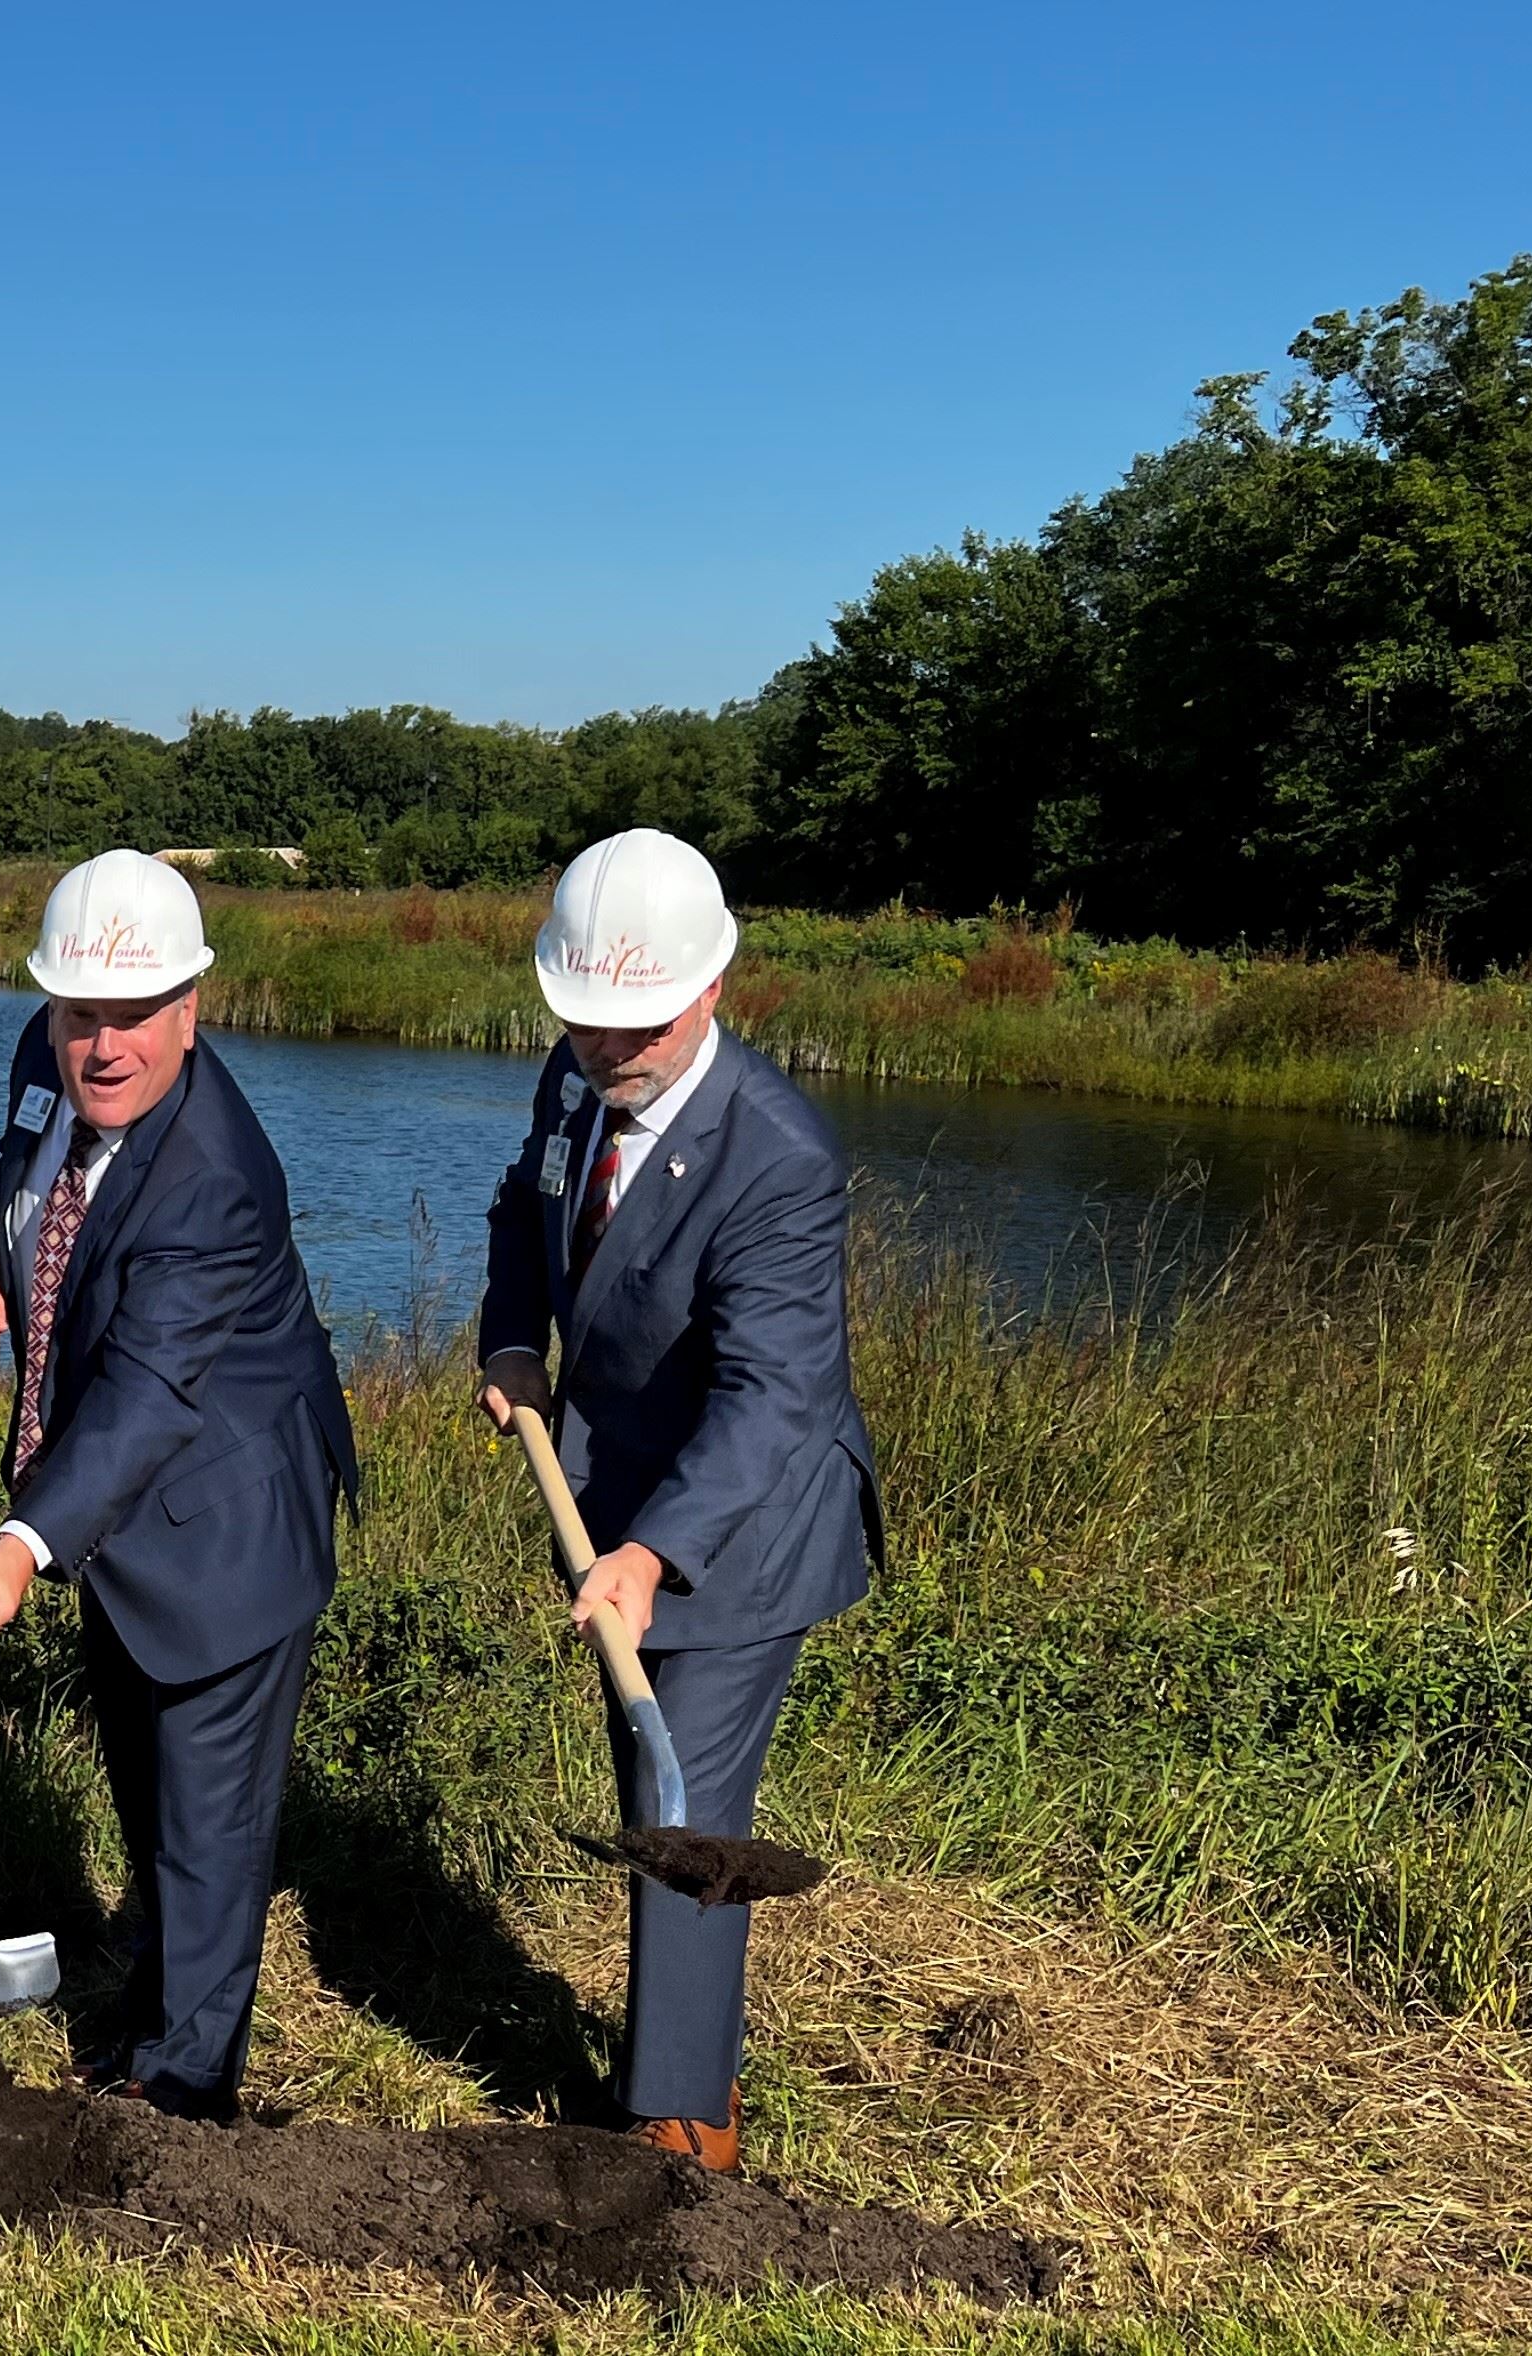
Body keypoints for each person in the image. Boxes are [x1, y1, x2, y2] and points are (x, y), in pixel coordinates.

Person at [475, 828, 880, 2174]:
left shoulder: (776, 1157)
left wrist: (652, 1552)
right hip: (618, 1491)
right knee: (650, 1772)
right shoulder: (576, 1071)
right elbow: (526, 1203)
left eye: (639, 1020)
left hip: (739, 1525)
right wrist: (511, 1336)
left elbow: (773, 1395)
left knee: (684, 1796)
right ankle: (669, 2078)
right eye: (585, 1018)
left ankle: (683, 2123)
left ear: (713, 984)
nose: (610, 1046)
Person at [0, 848, 359, 2119]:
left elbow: (146, 1395)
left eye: (135, 1016)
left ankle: (183, 2097)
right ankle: (150, 2021)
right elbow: (19, 1170)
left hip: (225, 1524)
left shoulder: (215, 1178)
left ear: (192, 1006)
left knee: (208, 1823)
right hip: (121, 1525)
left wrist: (22, 1543)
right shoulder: (44, 1053)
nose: (103, 1046)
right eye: (83, 1014)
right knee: (147, 1787)